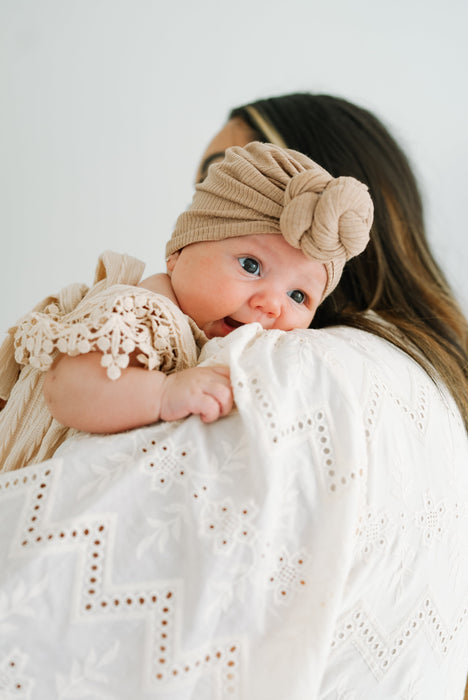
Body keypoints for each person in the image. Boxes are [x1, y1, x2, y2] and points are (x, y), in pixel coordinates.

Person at [0, 140, 373, 471]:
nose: (272, 305)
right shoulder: (147, 310)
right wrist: (164, 395)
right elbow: (66, 389)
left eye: (298, 296)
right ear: (178, 252)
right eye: (250, 265)